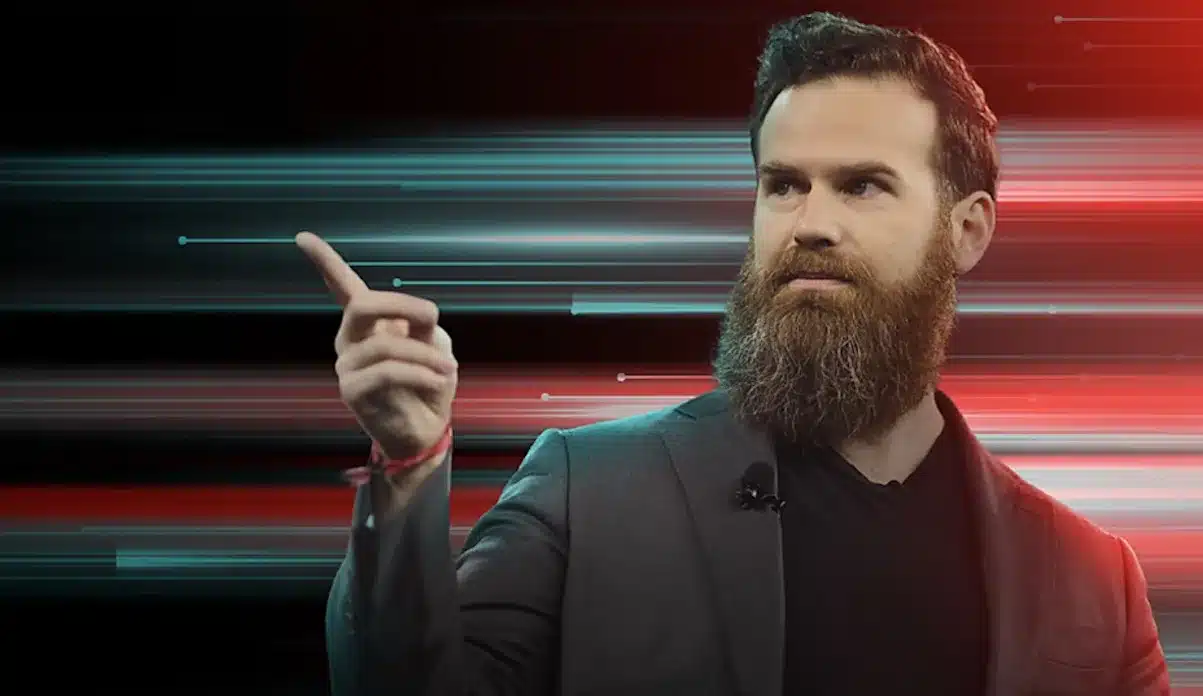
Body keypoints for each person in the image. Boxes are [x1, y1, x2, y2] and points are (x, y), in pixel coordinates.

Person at [297, 11, 1170, 696]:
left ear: (966, 229)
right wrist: (408, 465)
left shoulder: (1091, 578)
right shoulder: (585, 489)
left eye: (862, 185)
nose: (810, 223)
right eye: (782, 185)